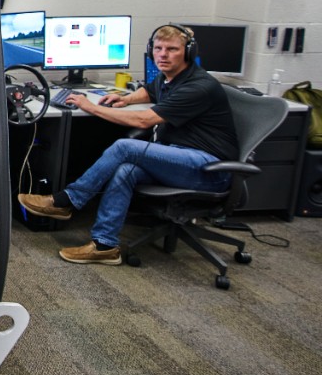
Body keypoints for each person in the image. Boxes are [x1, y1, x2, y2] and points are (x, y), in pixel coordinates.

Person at [18, 24, 239, 265]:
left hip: (209, 168)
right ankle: (105, 245)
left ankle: (66, 201)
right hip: (181, 159)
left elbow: (145, 119)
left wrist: (91, 107)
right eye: (158, 48)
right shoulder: (171, 78)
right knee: (126, 170)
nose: (163, 55)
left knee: (125, 147)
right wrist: (124, 99)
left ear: (188, 53)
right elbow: (150, 92)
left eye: (172, 49)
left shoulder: (198, 86)